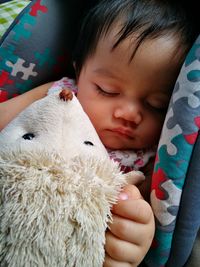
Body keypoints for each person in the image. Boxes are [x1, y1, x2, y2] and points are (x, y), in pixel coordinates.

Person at [0, 0, 199, 266]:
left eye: (156, 105)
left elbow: (145, 218)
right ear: (78, 69)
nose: (129, 113)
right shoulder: (60, 95)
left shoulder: (151, 160)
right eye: (107, 90)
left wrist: (133, 238)